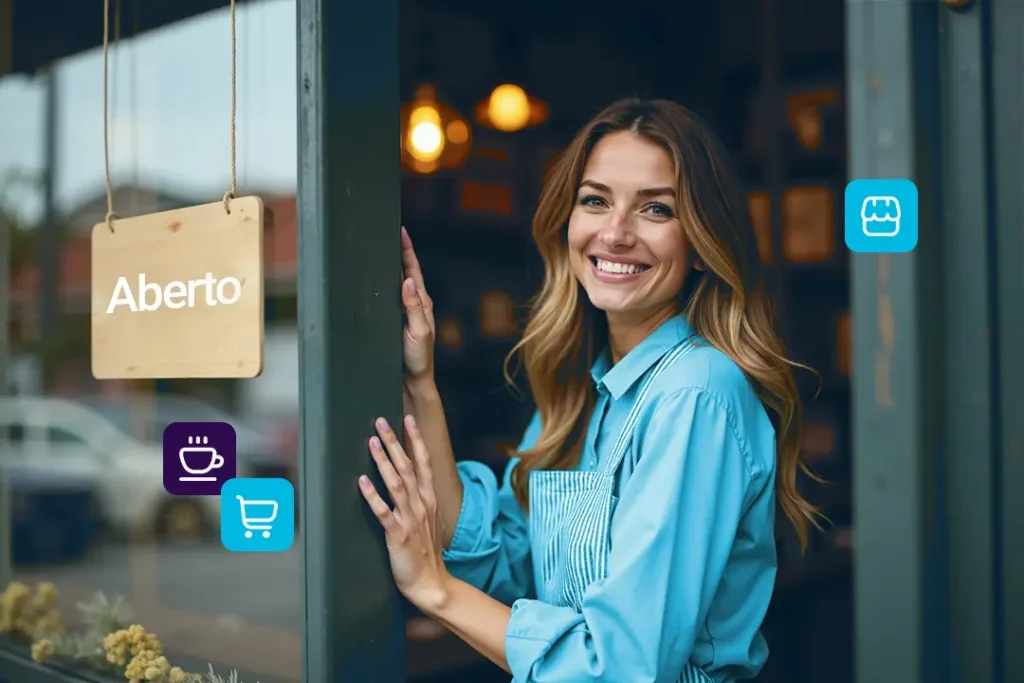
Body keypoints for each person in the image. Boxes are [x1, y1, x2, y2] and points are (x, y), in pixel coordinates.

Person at [358, 98, 819, 682]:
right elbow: (502, 564)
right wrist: (420, 381)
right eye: (595, 200)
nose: (616, 233)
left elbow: (622, 667)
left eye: (656, 209)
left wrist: (433, 590)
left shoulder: (694, 394)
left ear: (702, 243)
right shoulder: (590, 389)